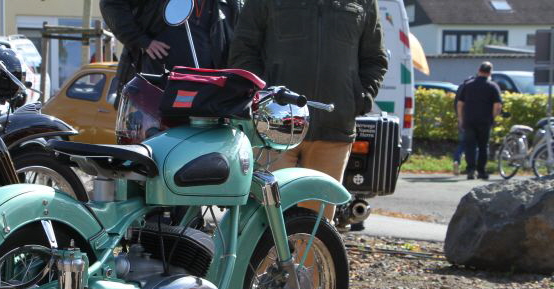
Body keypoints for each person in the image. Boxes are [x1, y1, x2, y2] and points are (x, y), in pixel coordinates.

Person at [229, 0, 387, 222]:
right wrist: (263, 101)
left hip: (334, 130)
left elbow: (375, 59)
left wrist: (359, 100)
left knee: (319, 226)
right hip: (274, 129)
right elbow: (243, 50)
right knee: (264, 222)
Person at [100, 0, 241, 100]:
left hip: (208, 92)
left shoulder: (231, 3)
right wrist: (141, 40)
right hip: (159, 86)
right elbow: (111, 4)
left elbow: (240, 38)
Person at [457, 62, 502, 180]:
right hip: (485, 121)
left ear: (479, 70)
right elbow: (497, 105)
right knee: (483, 146)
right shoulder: (493, 86)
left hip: (469, 120)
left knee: (470, 146)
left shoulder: (468, 85)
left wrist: (461, 119)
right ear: (490, 72)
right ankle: (481, 171)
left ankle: (471, 170)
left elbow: (460, 103)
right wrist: (492, 117)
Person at [452, 75, 475, 176]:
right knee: (474, 145)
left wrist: (459, 117)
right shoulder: (473, 88)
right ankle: (471, 167)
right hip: (472, 119)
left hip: (462, 119)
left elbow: (456, 104)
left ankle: (456, 161)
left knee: (462, 143)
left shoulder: (461, 88)